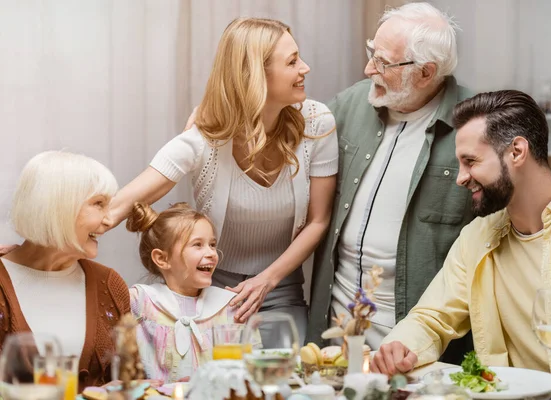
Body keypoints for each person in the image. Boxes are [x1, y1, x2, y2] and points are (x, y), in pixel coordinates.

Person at [108, 17, 338, 343]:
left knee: (286, 383)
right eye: (292, 61)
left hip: (280, 287)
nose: (306, 67)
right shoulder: (206, 137)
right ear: (257, 75)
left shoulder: (316, 122)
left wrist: (267, 281)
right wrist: (33, 249)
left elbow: (319, 220)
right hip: (208, 287)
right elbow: (120, 204)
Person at [371, 90, 551, 390]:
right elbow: (431, 318)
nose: (461, 177)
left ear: (517, 152)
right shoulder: (475, 238)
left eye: (471, 161)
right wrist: (400, 345)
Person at [307, 2, 474, 360]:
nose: (369, 69)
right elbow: (284, 137)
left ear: (426, 72)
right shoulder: (349, 105)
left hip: (412, 346)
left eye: (383, 62)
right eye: (372, 54)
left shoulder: (476, 123)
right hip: (334, 337)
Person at [0, 151, 130, 388]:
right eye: (99, 204)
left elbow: (130, 379)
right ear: (58, 206)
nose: (109, 220)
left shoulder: (110, 284)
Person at [127, 202, 244, 382]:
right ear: (162, 259)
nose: (212, 253)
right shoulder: (140, 302)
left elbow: (251, 370)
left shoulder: (230, 306)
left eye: (212, 245)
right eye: (197, 245)